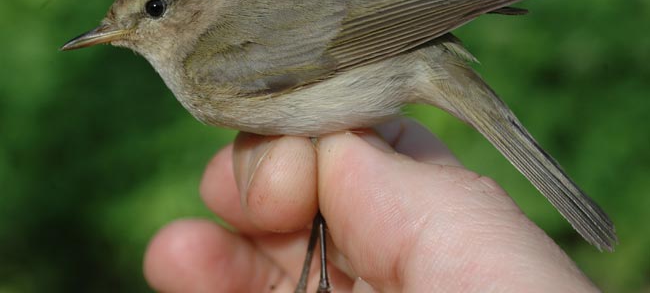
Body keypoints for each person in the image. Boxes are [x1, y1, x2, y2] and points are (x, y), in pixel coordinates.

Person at [143, 118, 599, 292]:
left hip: (390, 51)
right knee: (301, 176)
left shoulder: (208, 58)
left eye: (156, 9)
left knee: (312, 168)